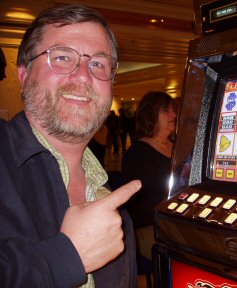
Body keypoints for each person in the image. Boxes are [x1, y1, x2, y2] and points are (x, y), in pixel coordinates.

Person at [0, 4, 142, 288]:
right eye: (63, 57)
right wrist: (67, 257)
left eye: (98, 63)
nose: (82, 76)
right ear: (24, 75)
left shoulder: (116, 211)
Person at [121, 91, 176, 269]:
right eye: (166, 110)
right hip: (149, 226)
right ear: (151, 114)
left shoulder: (179, 146)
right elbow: (137, 202)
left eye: (173, 110)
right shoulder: (138, 153)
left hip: (177, 222)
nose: (174, 115)